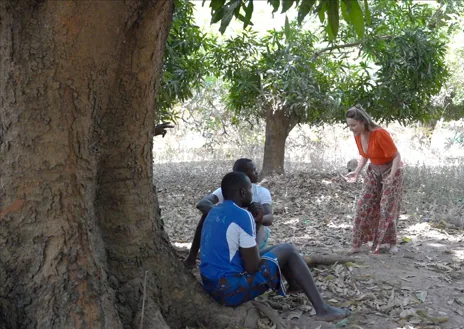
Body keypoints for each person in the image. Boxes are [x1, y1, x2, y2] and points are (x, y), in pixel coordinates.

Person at [199, 172, 350, 322]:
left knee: (280, 249)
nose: (252, 193)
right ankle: (322, 309)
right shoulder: (242, 216)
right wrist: (257, 223)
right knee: (288, 249)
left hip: (210, 286)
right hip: (229, 291)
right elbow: (253, 267)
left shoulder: (213, 211)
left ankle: (295, 285)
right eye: (250, 189)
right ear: (242, 192)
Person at [184, 158, 273, 269]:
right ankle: (191, 257)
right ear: (241, 175)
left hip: (255, 229)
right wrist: (229, 216)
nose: (256, 172)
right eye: (253, 170)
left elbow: (269, 218)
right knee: (206, 215)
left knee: (255, 228)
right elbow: (203, 203)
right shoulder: (229, 189)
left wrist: (254, 219)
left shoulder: (261, 192)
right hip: (230, 229)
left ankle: (250, 260)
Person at [343, 105, 404, 254]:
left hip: (392, 169)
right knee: (363, 205)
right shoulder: (357, 135)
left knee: (387, 207)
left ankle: (391, 242)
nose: (351, 128)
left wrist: (391, 176)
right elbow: (365, 155)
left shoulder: (380, 134)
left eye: (354, 125)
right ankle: (356, 244)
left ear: (362, 121)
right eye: (349, 126)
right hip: (374, 170)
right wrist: (357, 172)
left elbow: (396, 156)